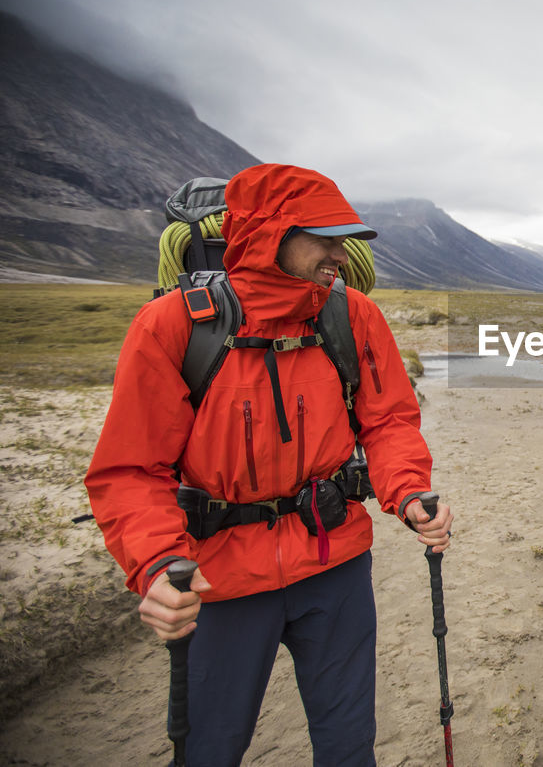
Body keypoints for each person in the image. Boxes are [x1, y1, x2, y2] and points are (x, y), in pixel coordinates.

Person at [83, 163, 453, 766]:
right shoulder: (174, 325)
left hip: (335, 564)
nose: (340, 252)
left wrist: (409, 493)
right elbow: (130, 470)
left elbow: (387, 422)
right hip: (218, 582)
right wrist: (153, 562)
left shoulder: (352, 315)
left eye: (343, 237)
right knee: (210, 748)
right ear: (266, 234)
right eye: (324, 237)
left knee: (349, 742)